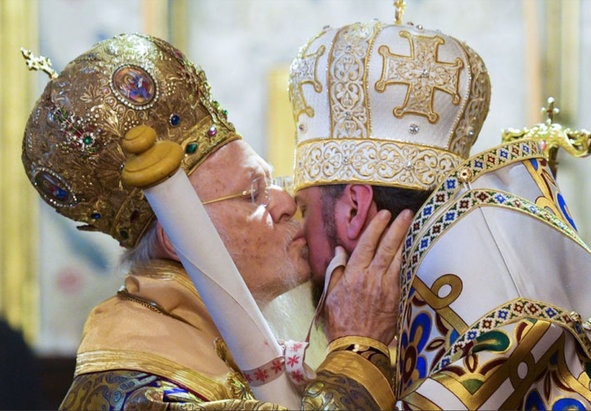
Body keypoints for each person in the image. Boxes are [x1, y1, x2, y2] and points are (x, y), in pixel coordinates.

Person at [290, 19, 591, 410]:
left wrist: (355, 350)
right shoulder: (521, 273)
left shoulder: (497, 336)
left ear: (355, 209)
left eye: (303, 210)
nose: (296, 230)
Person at [22, 33, 409, 410]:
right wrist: (358, 346)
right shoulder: (145, 388)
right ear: (179, 236)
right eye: (254, 194)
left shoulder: (211, 340)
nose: (286, 202)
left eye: (273, 183)